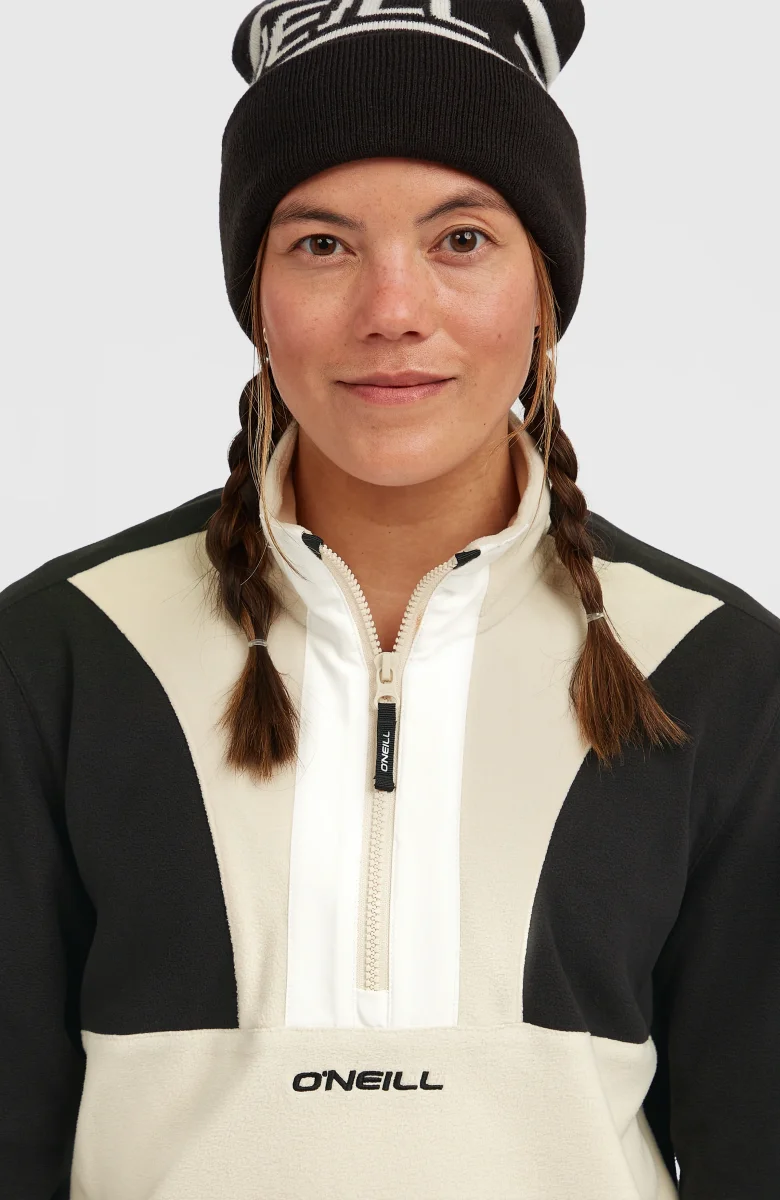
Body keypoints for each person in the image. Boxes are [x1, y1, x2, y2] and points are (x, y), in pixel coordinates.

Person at [1, 2, 779, 1197]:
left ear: (546, 285)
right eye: (322, 244)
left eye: (461, 239)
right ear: (255, 291)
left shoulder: (712, 670)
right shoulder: (62, 652)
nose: (392, 309)